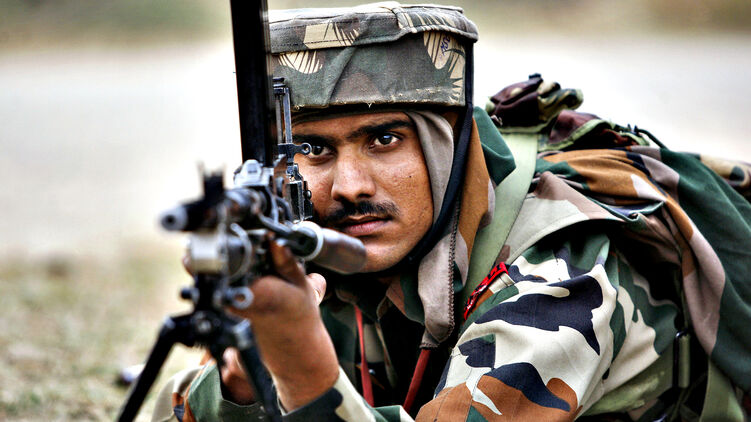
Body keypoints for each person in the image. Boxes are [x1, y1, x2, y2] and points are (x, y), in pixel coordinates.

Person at [151, 3, 751, 421]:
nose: (350, 187)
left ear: (448, 149)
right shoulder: (322, 250)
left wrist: (300, 363)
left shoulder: (555, 286)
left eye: (385, 138)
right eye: (313, 149)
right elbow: (171, 407)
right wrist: (238, 382)